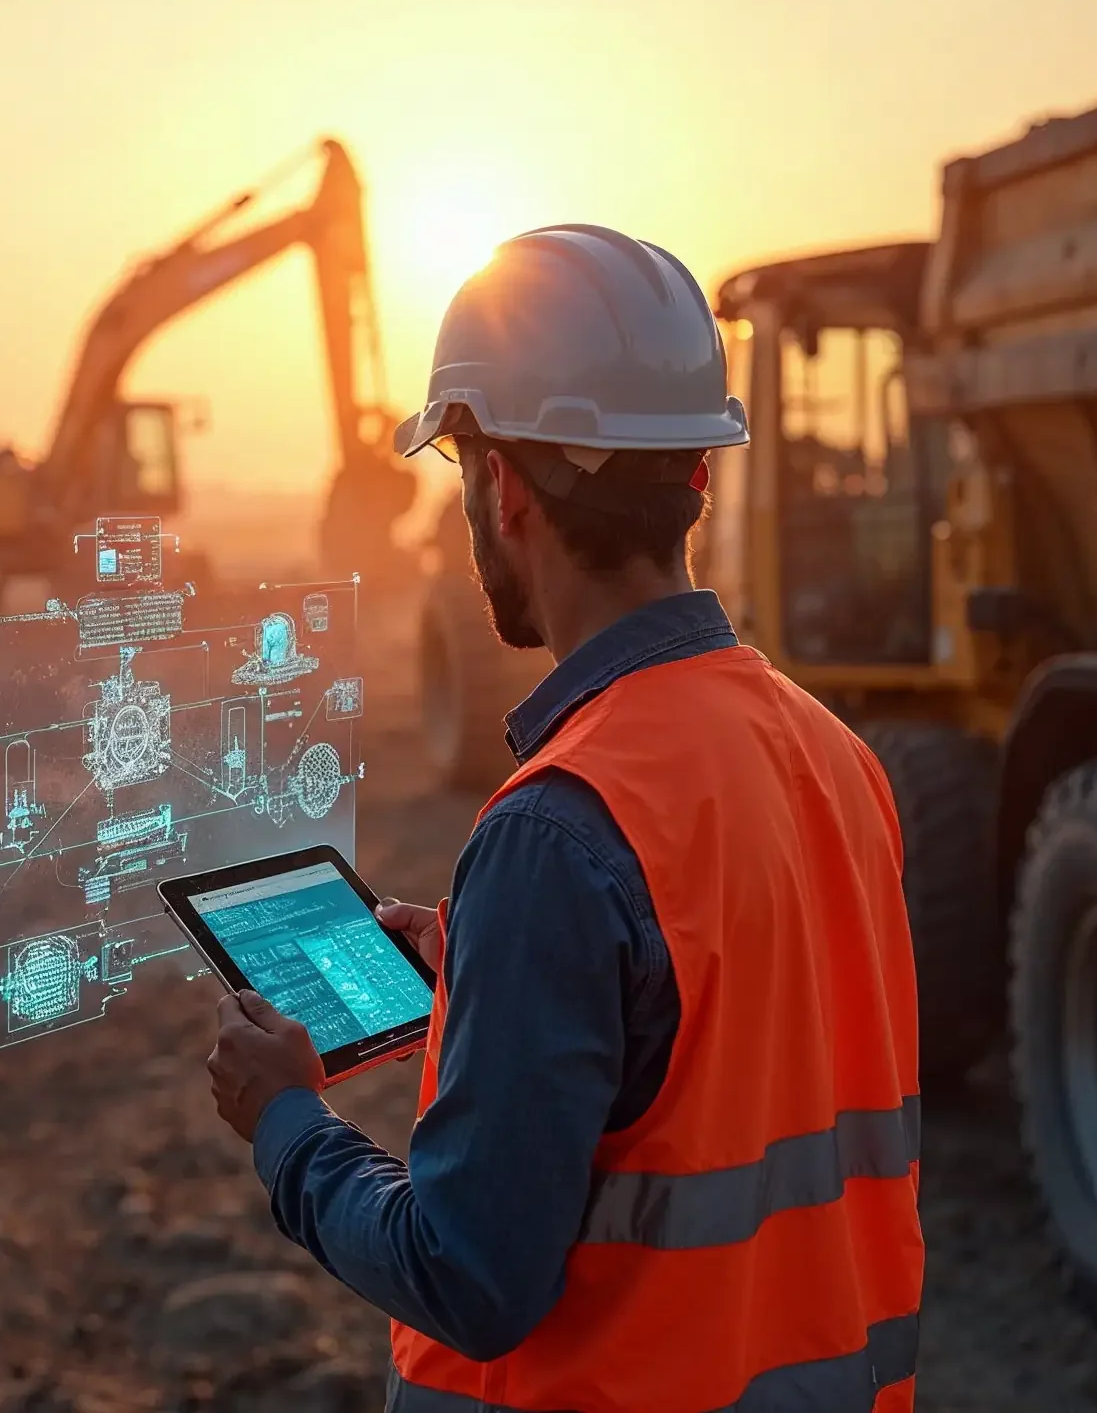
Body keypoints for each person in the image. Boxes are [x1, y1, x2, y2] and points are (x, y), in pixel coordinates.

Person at [204, 225, 925, 1412]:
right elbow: (719, 1028)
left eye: (457, 473)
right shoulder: (832, 753)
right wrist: (491, 963)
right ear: (694, 470)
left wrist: (284, 1119)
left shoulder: (558, 831)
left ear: (501, 484)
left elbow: (466, 1271)